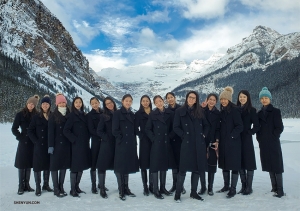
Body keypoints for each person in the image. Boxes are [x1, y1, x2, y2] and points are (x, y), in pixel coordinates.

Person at [173, 91, 210, 202]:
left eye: (194, 98)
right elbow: (176, 127)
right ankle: (178, 194)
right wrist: (183, 135)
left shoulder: (200, 111)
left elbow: (206, 125)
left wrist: (203, 135)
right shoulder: (179, 111)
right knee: (182, 170)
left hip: (198, 144)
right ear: (187, 98)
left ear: (196, 100)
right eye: (190, 97)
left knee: (197, 169)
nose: (191, 99)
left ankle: (193, 192)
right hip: (187, 144)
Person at [145, 95, 175, 200]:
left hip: (166, 143)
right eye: (156, 102)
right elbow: (147, 129)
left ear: (163, 101)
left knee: (164, 165)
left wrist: (170, 136)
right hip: (157, 143)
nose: (159, 103)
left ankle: (163, 188)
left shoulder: (170, 113)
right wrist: (153, 138)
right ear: (154, 104)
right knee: (155, 166)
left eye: (160, 101)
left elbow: (174, 127)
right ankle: (156, 189)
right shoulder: (152, 114)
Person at [257, 87, 284, 198]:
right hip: (264, 143)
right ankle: (274, 187)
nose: (264, 100)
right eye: (262, 98)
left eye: (266, 98)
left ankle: (280, 190)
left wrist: (273, 136)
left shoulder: (276, 111)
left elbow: (280, 127)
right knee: (269, 164)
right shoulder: (259, 113)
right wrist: (259, 139)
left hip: (273, 143)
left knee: (277, 166)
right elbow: (258, 128)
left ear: (270, 99)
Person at [217, 86, 243, 199]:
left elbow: (240, 126)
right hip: (223, 143)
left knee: (234, 165)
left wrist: (232, 135)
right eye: (221, 99)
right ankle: (226, 186)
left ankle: (233, 189)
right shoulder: (222, 111)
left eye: (225, 99)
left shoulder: (235, 110)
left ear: (229, 99)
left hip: (233, 143)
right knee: (225, 165)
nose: (223, 101)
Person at [112, 94, 139, 201]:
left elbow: (135, 129)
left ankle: (126, 188)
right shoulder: (117, 113)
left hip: (131, 144)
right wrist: (121, 139)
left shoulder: (132, 115)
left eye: (130, 101)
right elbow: (115, 130)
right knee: (120, 167)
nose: (128, 103)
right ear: (122, 101)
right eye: (126, 101)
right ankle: (121, 190)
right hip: (121, 144)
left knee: (127, 166)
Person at [63, 96, 91, 197]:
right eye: (76, 102)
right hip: (75, 145)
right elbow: (66, 130)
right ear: (73, 104)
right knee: (75, 167)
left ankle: (77, 186)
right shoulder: (71, 116)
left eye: (80, 102)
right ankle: (72, 189)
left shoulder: (84, 115)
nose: (78, 104)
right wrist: (74, 139)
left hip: (84, 144)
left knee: (81, 166)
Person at [12, 94, 39, 195]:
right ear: (27, 103)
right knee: (22, 164)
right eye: (29, 103)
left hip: (32, 142)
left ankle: (27, 185)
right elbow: (14, 128)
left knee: (29, 164)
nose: (31, 105)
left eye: (33, 104)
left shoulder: (36, 115)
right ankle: (20, 186)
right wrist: (20, 137)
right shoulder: (20, 114)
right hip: (23, 142)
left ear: (35, 105)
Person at [28, 95, 53, 196]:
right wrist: (36, 141)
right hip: (39, 145)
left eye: (47, 104)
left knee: (47, 166)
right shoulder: (36, 117)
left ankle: (46, 185)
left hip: (49, 145)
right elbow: (30, 131)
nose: (45, 105)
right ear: (41, 105)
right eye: (43, 104)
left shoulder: (53, 116)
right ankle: (38, 187)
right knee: (37, 167)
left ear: (50, 105)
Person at [236, 90, 259, 195]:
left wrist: (249, 132)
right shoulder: (236, 110)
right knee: (240, 162)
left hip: (247, 139)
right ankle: (243, 185)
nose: (242, 99)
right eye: (240, 97)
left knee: (249, 162)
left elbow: (257, 126)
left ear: (248, 98)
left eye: (244, 97)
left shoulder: (252, 110)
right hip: (237, 139)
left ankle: (249, 187)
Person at [48, 93, 71, 197]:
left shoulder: (69, 114)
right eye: (60, 102)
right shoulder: (53, 115)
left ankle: (61, 186)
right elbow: (50, 132)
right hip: (56, 145)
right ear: (57, 104)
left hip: (66, 144)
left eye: (63, 102)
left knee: (63, 166)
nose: (62, 104)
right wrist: (50, 146)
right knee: (54, 166)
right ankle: (56, 188)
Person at [198, 93, 220, 196]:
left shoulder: (218, 113)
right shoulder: (202, 111)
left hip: (212, 142)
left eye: (214, 100)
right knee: (201, 165)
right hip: (202, 141)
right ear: (207, 100)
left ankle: (210, 187)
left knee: (212, 165)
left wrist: (217, 140)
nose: (211, 101)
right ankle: (203, 187)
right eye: (210, 99)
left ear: (216, 102)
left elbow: (218, 128)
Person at [96, 97, 117, 199]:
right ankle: (102, 188)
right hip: (107, 144)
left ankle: (122, 186)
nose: (110, 105)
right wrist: (106, 138)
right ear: (105, 105)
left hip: (117, 144)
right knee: (102, 165)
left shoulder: (118, 113)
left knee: (118, 165)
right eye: (107, 103)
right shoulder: (103, 116)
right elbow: (99, 131)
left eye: (111, 102)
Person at [165, 92, 186, 194]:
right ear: (166, 100)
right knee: (173, 164)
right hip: (170, 141)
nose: (170, 99)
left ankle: (180, 185)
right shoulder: (166, 111)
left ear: (175, 98)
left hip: (180, 139)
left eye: (171, 97)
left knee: (180, 163)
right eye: (168, 98)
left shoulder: (181, 109)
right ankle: (174, 185)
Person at [135, 95, 153, 196]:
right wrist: (140, 136)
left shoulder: (153, 112)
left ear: (150, 102)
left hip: (153, 140)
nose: (145, 102)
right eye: (143, 101)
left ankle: (151, 185)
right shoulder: (138, 114)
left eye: (147, 101)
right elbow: (135, 128)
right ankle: (145, 187)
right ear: (141, 103)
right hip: (144, 141)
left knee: (152, 163)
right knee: (144, 164)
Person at [87, 97, 103, 194]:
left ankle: (101, 184)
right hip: (95, 141)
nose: (94, 105)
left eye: (96, 103)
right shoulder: (89, 115)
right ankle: (93, 185)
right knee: (93, 164)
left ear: (99, 103)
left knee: (102, 162)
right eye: (92, 103)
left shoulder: (103, 113)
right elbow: (91, 129)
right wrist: (101, 135)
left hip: (104, 141)